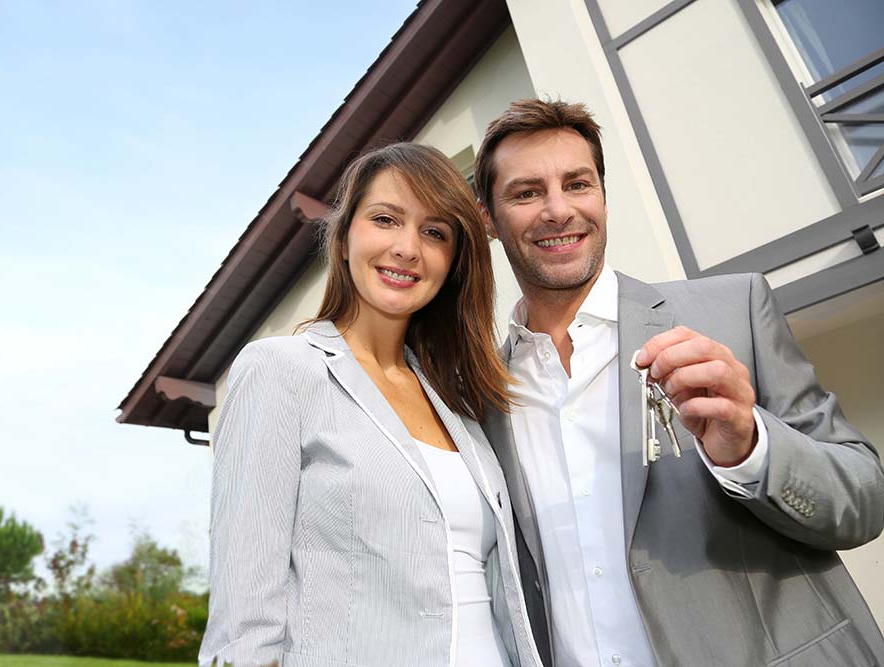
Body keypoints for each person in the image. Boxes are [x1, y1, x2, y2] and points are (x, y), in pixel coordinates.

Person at [474, 98, 884, 667]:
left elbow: (864, 501)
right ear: (488, 219)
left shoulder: (732, 310)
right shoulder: (483, 399)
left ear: (604, 198)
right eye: (526, 193)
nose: (558, 210)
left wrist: (751, 447)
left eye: (578, 184)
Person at [198, 142, 544, 667]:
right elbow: (243, 623)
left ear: (452, 262)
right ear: (343, 239)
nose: (407, 248)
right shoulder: (281, 371)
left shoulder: (460, 402)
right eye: (386, 219)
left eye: (434, 233)